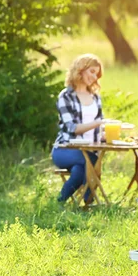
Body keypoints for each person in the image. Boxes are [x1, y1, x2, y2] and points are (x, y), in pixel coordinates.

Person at [51, 54, 104, 204]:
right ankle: (89, 199)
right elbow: (72, 128)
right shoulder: (66, 96)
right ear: (80, 69)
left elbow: (100, 127)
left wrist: (107, 133)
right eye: (92, 71)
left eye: (97, 74)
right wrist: (98, 123)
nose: (94, 77)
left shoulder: (95, 97)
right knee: (92, 161)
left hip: (88, 150)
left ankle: (61, 203)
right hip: (65, 150)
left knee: (80, 171)